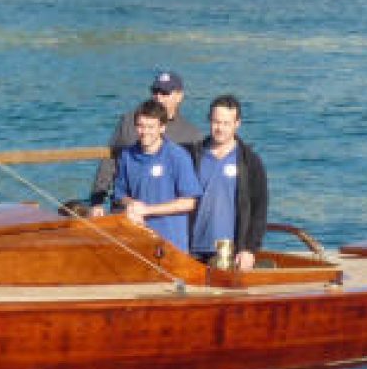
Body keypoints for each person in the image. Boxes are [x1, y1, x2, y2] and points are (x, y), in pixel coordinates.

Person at [89, 70, 204, 216]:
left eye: (165, 93)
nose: (159, 97)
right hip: (128, 212)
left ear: (179, 96)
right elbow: (110, 162)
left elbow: (194, 187)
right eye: (155, 92)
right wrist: (97, 200)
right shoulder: (128, 122)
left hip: (169, 217)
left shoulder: (191, 135)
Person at [186, 95, 268, 270]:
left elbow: (259, 210)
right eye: (216, 122)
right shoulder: (193, 156)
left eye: (226, 123)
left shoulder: (250, 161)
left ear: (237, 124)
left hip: (230, 252)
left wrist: (250, 249)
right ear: (209, 120)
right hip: (190, 249)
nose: (220, 128)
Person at [112, 100, 201, 252]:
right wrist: (132, 205)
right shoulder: (127, 155)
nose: (145, 131)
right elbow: (120, 195)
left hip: (171, 243)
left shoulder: (177, 156)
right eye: (140, 126)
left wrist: (148, 210)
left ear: (162, 127)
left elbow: (189, 202)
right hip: (138, 240)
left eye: (150, 127)